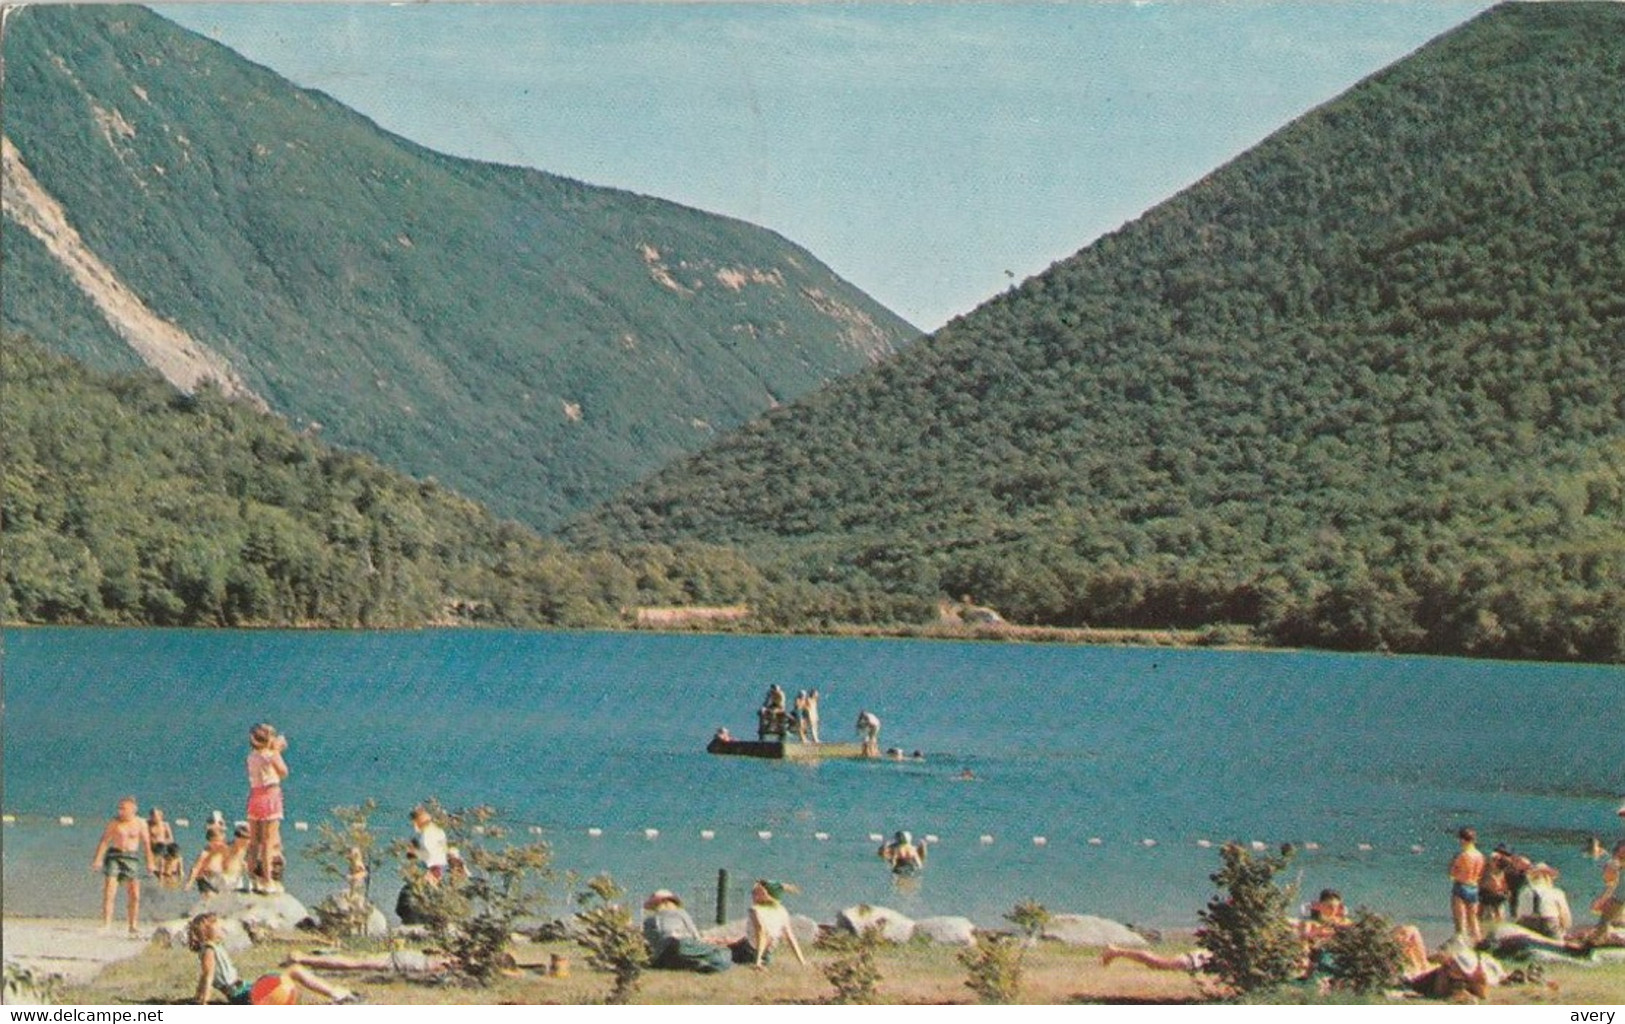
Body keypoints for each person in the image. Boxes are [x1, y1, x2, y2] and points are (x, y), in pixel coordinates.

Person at [188, 912, 358, 1004]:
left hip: (246, 990)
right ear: (206, 932)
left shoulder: (212, 948)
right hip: (244, 996)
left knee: (289, 974)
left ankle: (337, 993)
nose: (222, 929)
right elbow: (207, 976)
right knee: (295, 971)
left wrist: (197, 996)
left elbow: (205, 976)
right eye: (218, 927)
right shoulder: (209, 949)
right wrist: (204, 1001)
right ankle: (337, 994)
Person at [91, 796, 155, 935]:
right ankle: (107, 924)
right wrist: (98, 859)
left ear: (133, 809)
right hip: (114, 856)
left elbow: (146, 844)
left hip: (131, 858)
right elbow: (104, 841)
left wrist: (150, 862)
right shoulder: (115, 823)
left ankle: (132, 925)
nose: (121, 811)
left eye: (123, 808)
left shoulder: (140, 823)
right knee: (109, 891)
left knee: (134, 894)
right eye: (119, 808)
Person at [246, 723, 290, 894]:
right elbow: (284, 772)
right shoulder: (271, 755)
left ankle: (251, 878)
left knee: (254, 842)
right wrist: (277, 751)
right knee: (268, 842)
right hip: (270, 797)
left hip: (255, 797)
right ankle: (267, 879)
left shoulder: (251, 757)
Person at [642, 890, 732, 972]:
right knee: (724, 952)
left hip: (661, 955)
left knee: (682, 956)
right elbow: (695, 935)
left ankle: (692, 964)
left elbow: (650, 942)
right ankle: (711, 966)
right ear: (667, 902)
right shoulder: (680, 913)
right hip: (679, 943)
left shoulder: (648, 921)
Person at [731, 880, 806, 968]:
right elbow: (790, 938)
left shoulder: (755, 910)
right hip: (766, 954)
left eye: (756, 893)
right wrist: (802, 962)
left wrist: (757, 960)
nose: (752, 895)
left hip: (749, 952)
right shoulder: (782, 911)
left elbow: (761, 932)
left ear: (765, 895)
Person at [1449, 827, 1486, 944]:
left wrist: (1452, 864)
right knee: (1473, 919)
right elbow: (1480, 874)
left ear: (1463, 840)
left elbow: (1452, 873)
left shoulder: (1463, 855)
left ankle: (1462, 945)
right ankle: (1478, 942)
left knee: (1461, 921)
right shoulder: (1480, 856)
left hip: (1461, 886)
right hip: (1474, 887)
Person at [1586, 839, 1625, 945]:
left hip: (1619, 897)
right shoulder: (1616, 864)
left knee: (1605, 921)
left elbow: (1611, 884)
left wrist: (1602, 900)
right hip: (1619, 897)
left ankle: (1596, 942)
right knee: (1610, 920)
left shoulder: (1615, 864)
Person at [1519, 862, 1573, 938]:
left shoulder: (1524, 891)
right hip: (1549, 925)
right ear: (1547, 877)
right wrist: (1564, 929)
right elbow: (1566, 920)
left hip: (1527, 925)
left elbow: (1520, 915)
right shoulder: (1556, 892)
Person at [186, 824, 231, 897]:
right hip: (204, 880)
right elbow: (195, 868)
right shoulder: (205, 853)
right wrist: (189, 882)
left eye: (221, 841)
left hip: (218, 879)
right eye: (215, 841)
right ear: (209, 841)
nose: (219, 844)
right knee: (209, 896)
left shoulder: (225, 849)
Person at [410, 806, 449, 884]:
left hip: (435, 870)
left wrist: (414, 852)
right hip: (438, 868)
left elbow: (430, 856)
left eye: (415, 821)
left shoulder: (429, 834)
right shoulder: (435, 830)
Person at [1101, 945, 1209, 972]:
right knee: (1154, 961)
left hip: (1191, 960)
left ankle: (1116, 951)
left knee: (1153, 963)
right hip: (1190, 962)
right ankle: (1115, 951)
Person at [147, 808, 183, 883]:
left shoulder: (165, 825)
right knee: (154, 868)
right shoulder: (147, 824)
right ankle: (161, 877)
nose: (154, 818)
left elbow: (171, 838)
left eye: (156, 816)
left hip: (162, 846)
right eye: (152, 816)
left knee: (174, 850)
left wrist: (161, 841)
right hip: (152, 848)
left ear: (161, 816)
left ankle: (174, 875)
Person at [1479, 847, 1511, 923]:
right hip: (1489, 894)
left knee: (1493, 911)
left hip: (1492, 894)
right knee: (1492, 911)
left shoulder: (1496, 869)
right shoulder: (1489, 869)